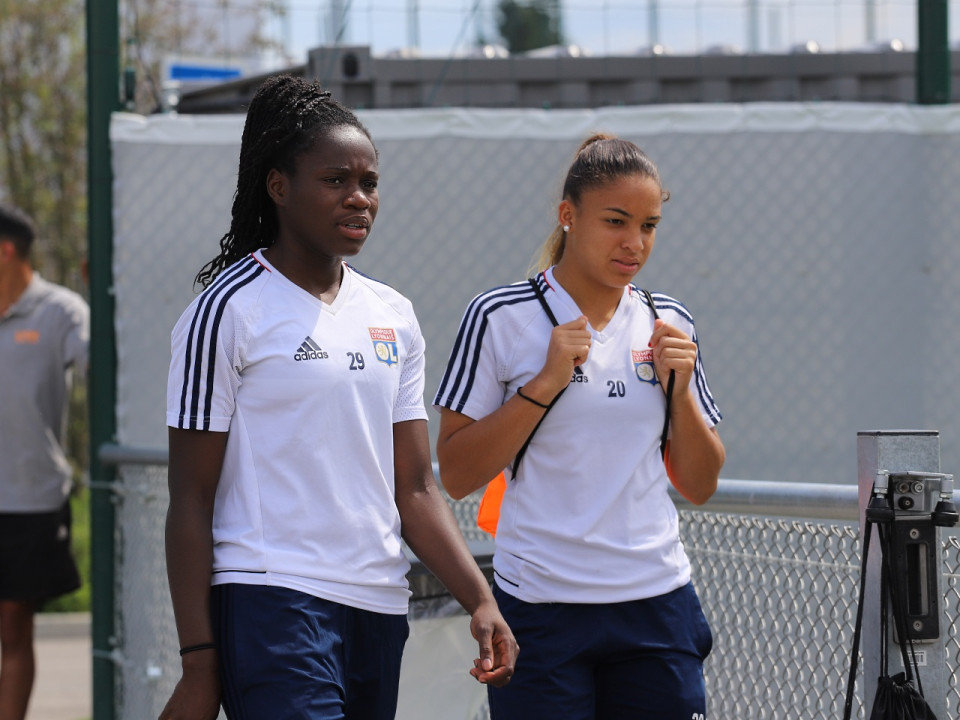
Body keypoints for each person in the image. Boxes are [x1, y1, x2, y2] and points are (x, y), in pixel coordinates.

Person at [159, 74, 517, 720]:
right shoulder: (226, 311)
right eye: (335, 181)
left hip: (380, 607)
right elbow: (190, 498)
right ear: (279, 188)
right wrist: (199, 658)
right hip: (272, 601)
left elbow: (414, 487)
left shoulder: (394, 315)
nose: (358, 199)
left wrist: (480, 598)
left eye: (369, 183)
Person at [434, 134, 725, 720]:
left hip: (656, 602)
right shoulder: (500, 316)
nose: (634, 242)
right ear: (568, 216)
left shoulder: (669, 320)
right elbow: (459, 474)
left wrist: (681, 389)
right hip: (542, 610)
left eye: (648, 225)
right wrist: (543, 385)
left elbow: (700, 483)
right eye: (616, 221)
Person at [0, 203, 88, 720]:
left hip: (29, 498)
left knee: (14, 625)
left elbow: (102, 362)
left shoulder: (62, 311)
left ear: (6, 250)